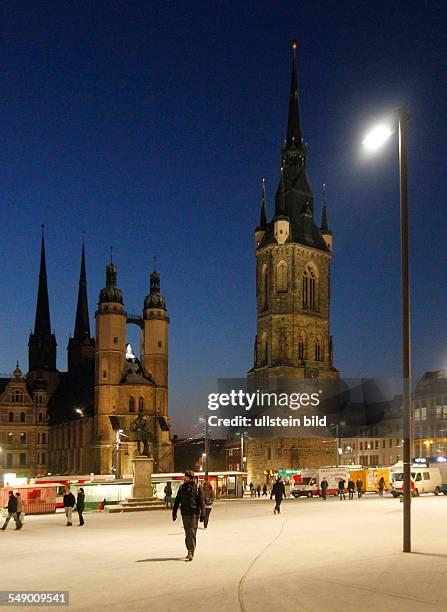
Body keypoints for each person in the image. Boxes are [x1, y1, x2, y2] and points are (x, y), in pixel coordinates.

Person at [172, 470, 205, 561]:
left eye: (186, 477)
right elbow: (177, 500)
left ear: (190, 478)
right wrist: (174, 512)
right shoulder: (182, 487)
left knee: (192, 531)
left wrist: (203, 514)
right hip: (185, 513)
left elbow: (202, 501)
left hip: (194, 513)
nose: (184, 478)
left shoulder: (198, 487)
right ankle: (189, 549)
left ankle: (191, 551)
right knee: (187, 533)